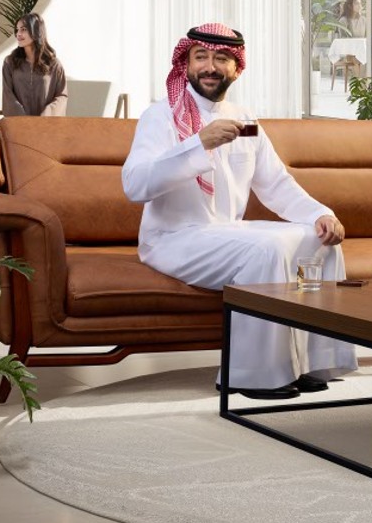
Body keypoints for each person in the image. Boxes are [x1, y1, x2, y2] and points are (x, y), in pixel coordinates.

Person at [122, 23, 356, 400]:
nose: (210, 67)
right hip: (173, 238)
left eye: (221, 59)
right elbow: (135, 185)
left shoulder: (244, 121)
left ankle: (315, 362)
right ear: (186, 63)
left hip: (226, 231)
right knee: (266, 249)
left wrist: (319, 213)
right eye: (201, 57)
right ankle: (252, 374)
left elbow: (275, 182)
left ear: (237, 68)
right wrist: (199, 145)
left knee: (319, 238)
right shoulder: (161, 117)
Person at [2, 12, 69, 117]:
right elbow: (8, 95)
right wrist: (24, 121)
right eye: (17, 30)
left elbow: (62, 96)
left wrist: (47, 114)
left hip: (46, 127)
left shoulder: (54, 64)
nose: (18, 34)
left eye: (23, 29)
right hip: (19, 126)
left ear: (36, 31)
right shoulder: (10, 63)